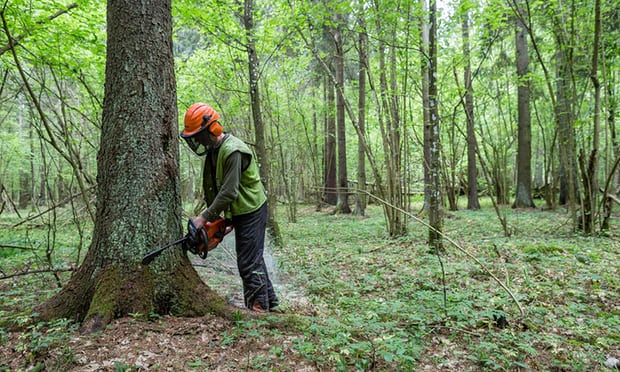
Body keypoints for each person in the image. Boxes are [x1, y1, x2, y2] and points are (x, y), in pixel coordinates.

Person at [180, 102, 279, 313]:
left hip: (251, 209)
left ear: (211, 129)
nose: (196, 140)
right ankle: (270, 302)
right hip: (240, 210)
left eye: (198, 135)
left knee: (248, 262)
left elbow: (230, 191)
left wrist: (204, 217)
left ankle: (258, 309)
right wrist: (222, 220)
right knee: (253, 259)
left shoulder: (233, 151)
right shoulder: (215, 151)